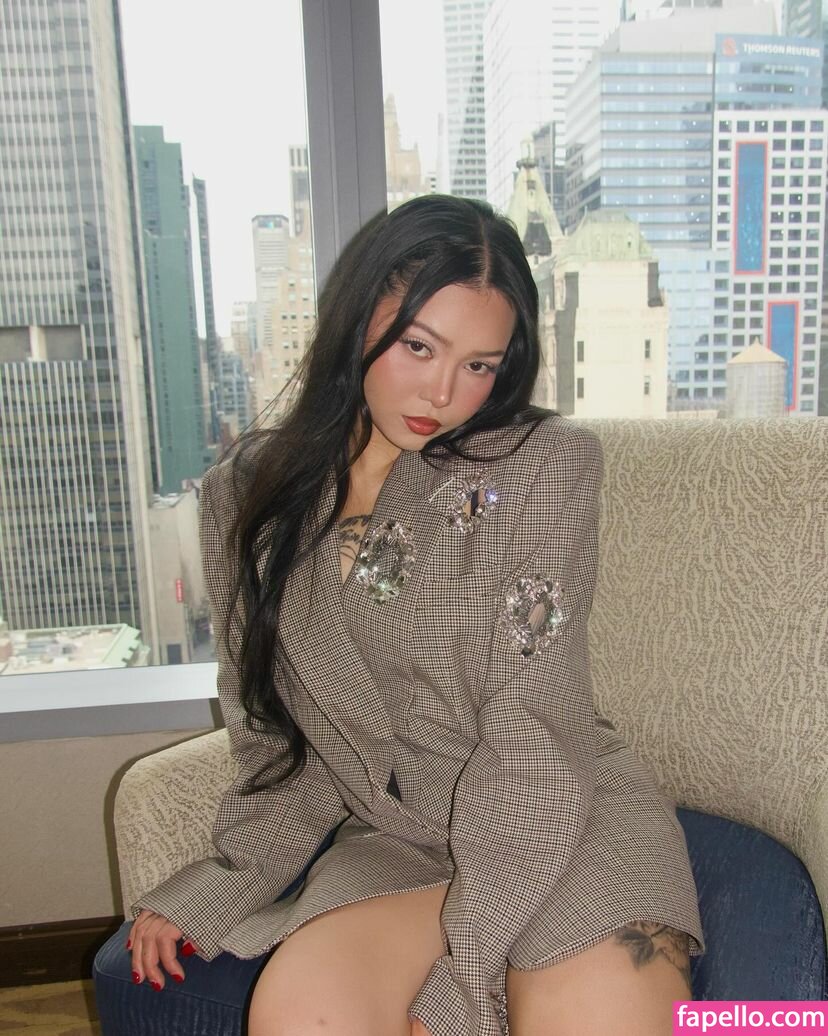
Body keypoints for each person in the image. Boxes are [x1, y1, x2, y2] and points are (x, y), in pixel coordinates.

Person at [126, 194, 705, 1036]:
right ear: (358, 321)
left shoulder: (541, 469)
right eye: (418, 346)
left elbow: (535, 730)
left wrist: (463, 984)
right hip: (401, 845)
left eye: (480, 365)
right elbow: (277, 738)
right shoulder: (248, 498)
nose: (443, 391)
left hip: (554, 820)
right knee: (299, 1018)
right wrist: (226, 880)